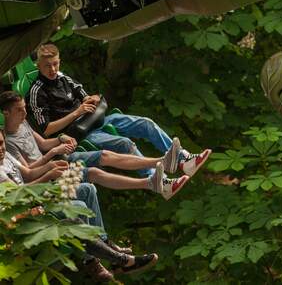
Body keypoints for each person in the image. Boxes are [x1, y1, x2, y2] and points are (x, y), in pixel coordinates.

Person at [26, 43, 211, 178]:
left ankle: (183, 158)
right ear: (38, 66)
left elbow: (85, 96)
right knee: (125, 143)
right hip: (78, 134)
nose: (53, 69)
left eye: (56, 64)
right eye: (47, 66)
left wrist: (91, 99)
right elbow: (47, 130)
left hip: (95, 119)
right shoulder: (37, 91)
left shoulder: (63, 78)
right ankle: (157, 178)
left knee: (146, 123)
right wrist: (76, 113)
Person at [0, 127, 158, 281]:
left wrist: (50, 166)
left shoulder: (6, 156)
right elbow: (18, 194)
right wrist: (48, 175)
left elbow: (28, 173)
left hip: (40, 195)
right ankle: (99, 261)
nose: (1, 148)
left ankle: (104, 243)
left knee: (87, 189)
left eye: (1, 143)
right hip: (28, 211)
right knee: (79, 207)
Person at [2, 91, 188, 199]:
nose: (25, 113)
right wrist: (52, 155)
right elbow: (29, 172)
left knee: (104, 157)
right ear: (6, 113)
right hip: (49, 175)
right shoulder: (7, 142)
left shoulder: (23, 123)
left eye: (25, 108)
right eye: (19, 110)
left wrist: (61, 139)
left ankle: (160, 167)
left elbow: (43, 144)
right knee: (94, 175)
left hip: (57, 161)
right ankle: (157, 172)